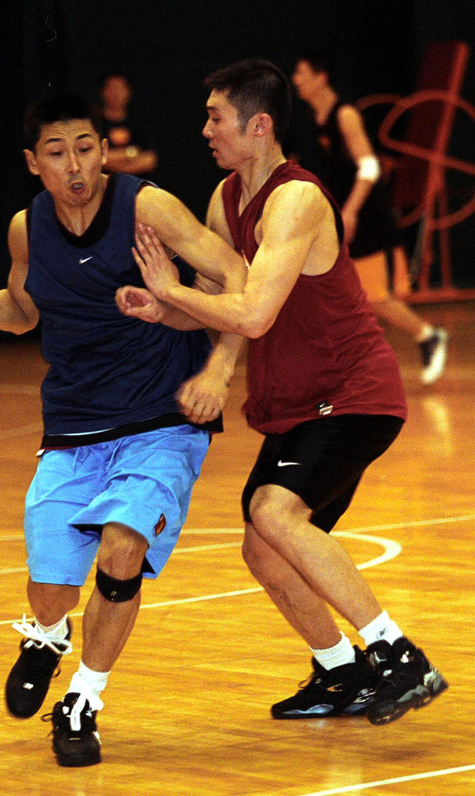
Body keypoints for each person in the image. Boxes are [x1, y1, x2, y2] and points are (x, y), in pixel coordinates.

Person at [117, 59, 447, 727]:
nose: (205, 129)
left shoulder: (296, 199)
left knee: (272, 509)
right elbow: (218, 302)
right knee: (262, 545)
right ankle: (340, 672)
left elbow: (254, 316)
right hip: (299, 404)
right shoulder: (225, 197)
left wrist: (171, 289)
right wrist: (164, 308)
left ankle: (399, 656)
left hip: (353, 394)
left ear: (258, 125)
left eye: (216, 117)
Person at [0, 92, 245, 767]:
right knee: (53, 590)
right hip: (72, 424)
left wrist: (218, 370)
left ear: (102, 148)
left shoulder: (146, 206)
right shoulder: (25, 228)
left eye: (86, 148)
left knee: (123, 550)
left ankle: (84, 700)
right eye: (58, 153)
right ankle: (46, 634)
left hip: (160, 419)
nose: (76, 166)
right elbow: (24, 310)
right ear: (34, 162)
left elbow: (235, 274)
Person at [291, 50, 448, 385]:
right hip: (339, 223)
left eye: (302, 72)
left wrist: (350, 210)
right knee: (340, 296)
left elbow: (370, 166)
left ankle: (428, 334)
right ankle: (348, 365)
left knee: (376, 297)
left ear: (321, 77)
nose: (297, 79)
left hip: (367, 221)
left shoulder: (345, 114)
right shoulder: (311, 122)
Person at [98, 72, 159, 176]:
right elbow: (96, 159)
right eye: (112, 88)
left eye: (119, 88)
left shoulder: (138, 123)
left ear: (128, 92)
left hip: (136, 186)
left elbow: (150, 160)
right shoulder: (95, 124)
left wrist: (120, 172)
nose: (115, 94)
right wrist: (131, 152)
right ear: (102, 92)